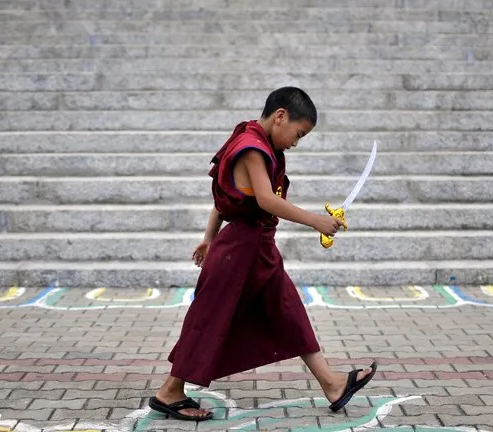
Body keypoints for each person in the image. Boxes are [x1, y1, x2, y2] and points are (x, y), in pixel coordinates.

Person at [149, 87, 376, 421]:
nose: (296, 143)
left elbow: (225, 199)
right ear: (280, 116)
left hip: (255, 247)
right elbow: (267, 201)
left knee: (289, 312)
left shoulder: (253, 140)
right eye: (298, 134)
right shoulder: (252, 148)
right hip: (241, 249)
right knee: (209, 319)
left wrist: (209, 238)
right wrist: (316, 221)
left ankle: (332, 384)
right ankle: (170, 391)